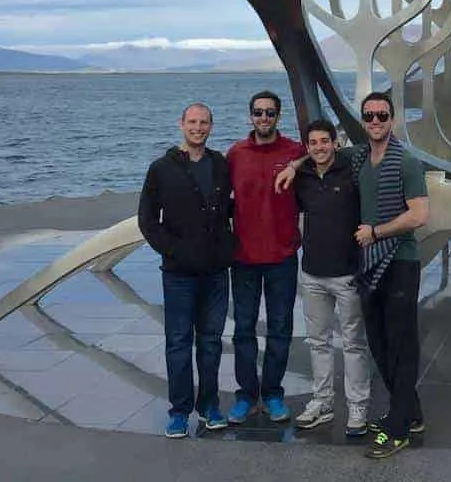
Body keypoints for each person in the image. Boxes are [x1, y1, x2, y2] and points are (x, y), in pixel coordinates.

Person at [276, 91, 429, 459]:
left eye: (382, 115)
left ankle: (397, 428)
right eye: (370, 116)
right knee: (378, 342)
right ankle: (412, 415)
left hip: (399, 260)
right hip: (370, 265)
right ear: (363, 121)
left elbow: (419, 215)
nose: (376, 121)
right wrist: (294, 166)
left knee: (401, 344)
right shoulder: (360, 155)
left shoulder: (405, 161)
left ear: (392, 119)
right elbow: (321, 152)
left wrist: (376, 232)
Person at [137, 102, 234, 438]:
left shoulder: (221, 165)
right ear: (181, 125)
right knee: (178, 343)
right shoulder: (161, 169)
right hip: (178, 273)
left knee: (210, 342)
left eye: (204, 122)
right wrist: (174, 250)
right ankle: (179, 411)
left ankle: (208, 407)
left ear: (211, 126)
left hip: (215, 272)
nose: (198, 128)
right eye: (192, 122)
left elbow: (235, 205)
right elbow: (147, 220)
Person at [225, 90, 306, 424]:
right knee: (243, 329)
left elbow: (334, 153)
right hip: (243, 257)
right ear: (250, 116)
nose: (263, 118)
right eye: (258, 112)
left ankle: (272, 393)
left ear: (278, 116)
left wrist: (298, 163)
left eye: (270, 113)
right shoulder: (235, 154)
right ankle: (246, 395)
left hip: (282, 257)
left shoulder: (294, 151)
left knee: (280, 328)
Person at [290, 119, 370, 437]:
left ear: (335, 143)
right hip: (312, 273)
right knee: (318, 342)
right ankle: (322, 402)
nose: (319, 147)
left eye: (325, 141)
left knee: (353, 343)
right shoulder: (303, 177)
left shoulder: (351, 168)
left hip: (347, 273)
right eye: (313, 143)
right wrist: (295, 165)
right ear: (306, 146)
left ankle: (358, 406)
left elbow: (372, 148)